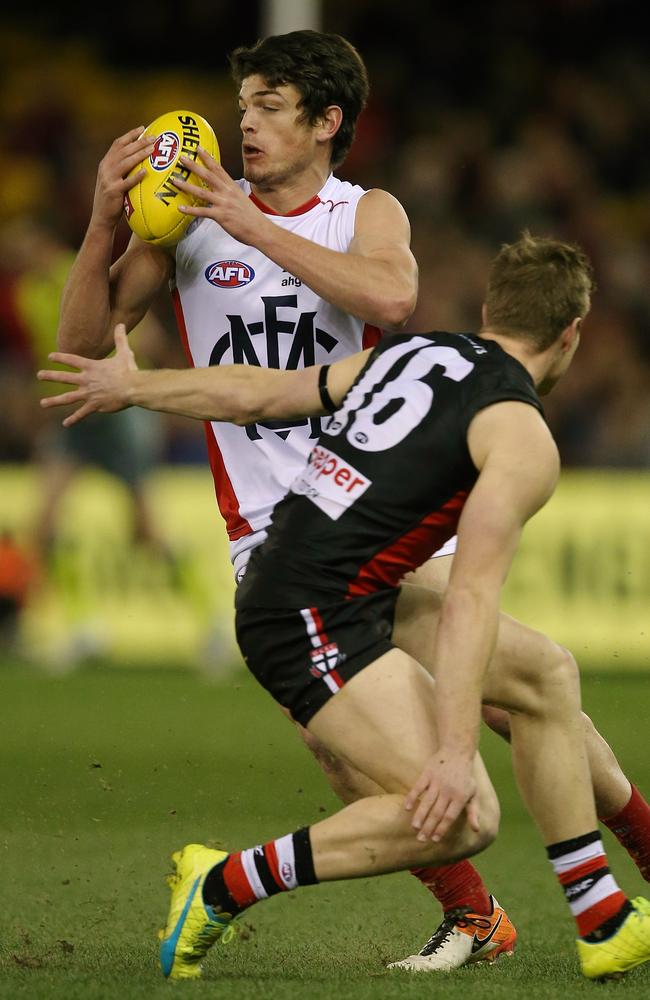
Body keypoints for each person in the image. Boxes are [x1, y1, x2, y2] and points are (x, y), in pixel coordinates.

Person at [52, 29, 650, 972]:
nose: (242, 124)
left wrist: (248, 225)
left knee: (523, 690)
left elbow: (395, 296)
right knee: (353, 750)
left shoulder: (362, 210)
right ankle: (489, 915)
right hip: (271, 537)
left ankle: (583, 899)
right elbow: (83, 352)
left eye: (268, 107)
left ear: (327, 123)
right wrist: (100, 226)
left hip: (382, 509)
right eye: (242, 104)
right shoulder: (185, 226)